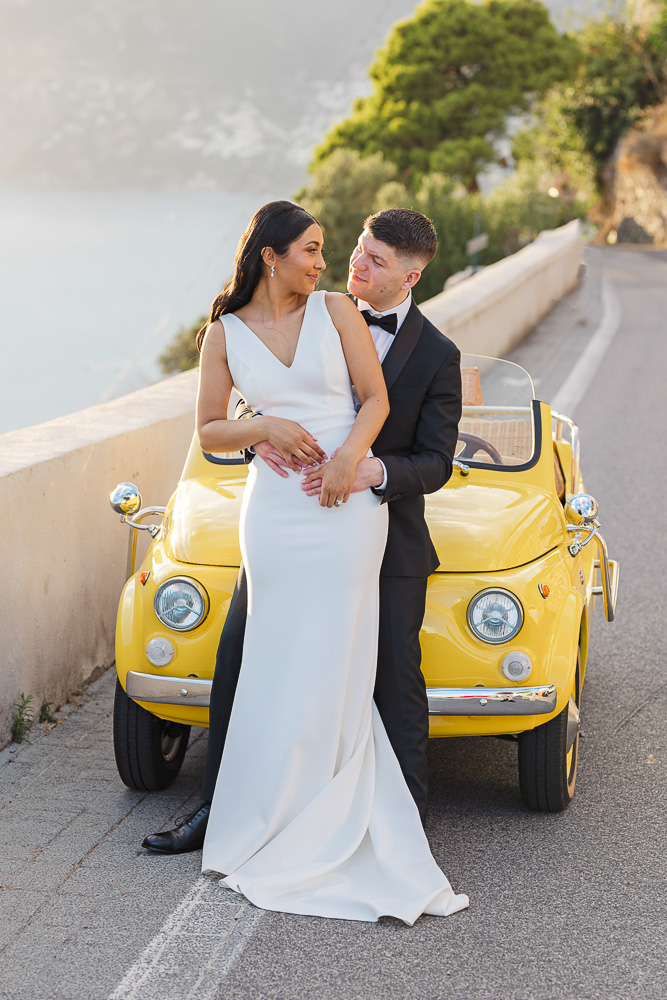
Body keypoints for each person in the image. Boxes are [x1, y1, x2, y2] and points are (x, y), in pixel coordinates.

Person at [143, 202, 466, 920]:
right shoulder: (235, 330)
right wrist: (259, 426)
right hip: (276, 515)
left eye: (371, 260)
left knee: (381, 671)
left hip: (368, 517)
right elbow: (219, 423)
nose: (347, 265)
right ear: (271, 255)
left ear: (408, 276)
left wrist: (357, 464)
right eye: (341, 251)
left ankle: (393, 816)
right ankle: (229, 807)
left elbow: (427, 453)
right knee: (248, 659)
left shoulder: (424, 349)